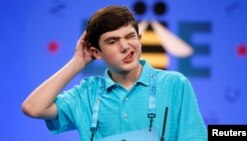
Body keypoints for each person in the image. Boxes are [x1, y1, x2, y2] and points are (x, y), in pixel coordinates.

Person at [22, 5, 207, 141]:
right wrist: (77, 62)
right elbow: (33, 108)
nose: (125, 46)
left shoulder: (174, 84)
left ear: (139, 40)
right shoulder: (87, 94)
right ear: (96, 52)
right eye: (112, 41)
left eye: (130, 37)